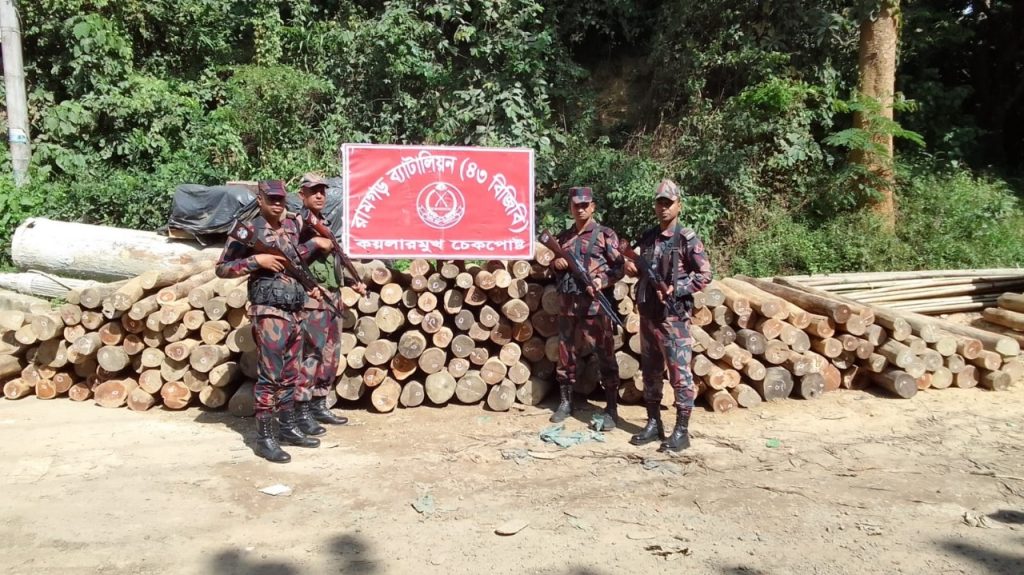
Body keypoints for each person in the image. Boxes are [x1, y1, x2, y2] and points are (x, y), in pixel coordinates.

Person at [215, 179, 331, 463]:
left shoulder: (291, 228)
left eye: (281, 199)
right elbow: (222, 268)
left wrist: (311, 286)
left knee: (291, 374)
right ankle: (265, 438)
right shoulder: (249, 231)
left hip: (294, 310)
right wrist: (257, 262)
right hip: (269, 313)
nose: (277, 204)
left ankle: (288, 426)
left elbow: (297, 265)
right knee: (270, 377)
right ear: (260, 200)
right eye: (272, 199)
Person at [624, 179, 712, 452]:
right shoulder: (649, 237)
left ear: (679, 206)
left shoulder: (686, 238)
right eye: (659, 202)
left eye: (668, 203)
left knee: (680, 376)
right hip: (649, 314)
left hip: (674, 319)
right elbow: (634, 263)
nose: (663, 208)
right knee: (650, 372)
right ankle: (653, 424)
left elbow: (706, 274)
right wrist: (630, 266)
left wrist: (679, 288)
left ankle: (682, 431)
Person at [295, 173, 367, 432]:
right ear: (301, 194)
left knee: (330, 354)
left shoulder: (323, 223)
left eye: (322, 191)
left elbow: (332, 264)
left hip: (333, 298)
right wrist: (314, 243)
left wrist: (351, 282)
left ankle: (319, 403)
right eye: (313, 191)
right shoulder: (298, 224)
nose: (319, 195)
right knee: (311, 355)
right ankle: (301, 410)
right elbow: (290, 256)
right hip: (312, 298)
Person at [549, 186, 625, 429]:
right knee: (565, 355)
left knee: (605, 356)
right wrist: (556, 263)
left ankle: (612, 408)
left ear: (593, 207)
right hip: (568, 306)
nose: (580, 209)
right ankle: (565, 402)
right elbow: (554, 266)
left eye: (585, 205)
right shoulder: (563, 237)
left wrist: (602, 280)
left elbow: (619, 267)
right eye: (576, 205)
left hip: (595, 307)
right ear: (571, 208)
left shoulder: (605, 235)